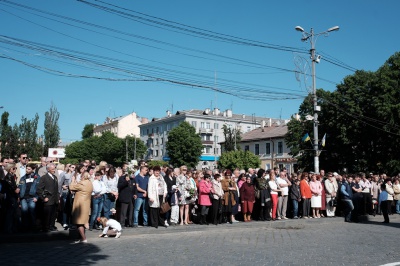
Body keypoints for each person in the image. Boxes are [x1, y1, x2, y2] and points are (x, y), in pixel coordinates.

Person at [70, 172, 93, 243]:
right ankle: (79, 238)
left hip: (80, 205)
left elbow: (71, 187)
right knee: (82, 222)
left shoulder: (82, 184)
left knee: (79, 222)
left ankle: (83, 238)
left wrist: (73, 180)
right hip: (86, 204)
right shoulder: (90, 183)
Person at [37, 163, 60, 232]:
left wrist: (58, 198)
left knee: (53, 214)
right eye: (52, 169)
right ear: (48, 169)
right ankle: (46, 227)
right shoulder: (44, 178)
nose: (54, 170)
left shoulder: (55, 177)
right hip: (48, 199)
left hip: (54, 199)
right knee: (47, 214)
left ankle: (51, 225)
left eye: (54, 169)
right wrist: (43, 197)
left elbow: (56, 189)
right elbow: (39, 189)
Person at [18, 163, 39, 231]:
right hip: (23, 197)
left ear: (33, 169)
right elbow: (20, 187)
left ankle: (33, 227)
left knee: (32, 211)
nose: (27, 170)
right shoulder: (23, 177)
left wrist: (37, 197)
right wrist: (19, 197)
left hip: (32, 197)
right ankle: (25, 227)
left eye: (29, 169)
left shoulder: (37, 177)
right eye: (26, 169)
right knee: (24, 212)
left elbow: (40, 189)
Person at [3, 164, 20, 233]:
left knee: (12, 213)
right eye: (13, 168)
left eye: (15, 168)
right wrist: (16, 191)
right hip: (11, 197)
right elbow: (11, 187)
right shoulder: (9, 177)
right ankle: (9, 229)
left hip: (12, 197)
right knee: (10, 213)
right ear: (10, 169)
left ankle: (11, 228)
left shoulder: (12, 176)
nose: (15, 170)